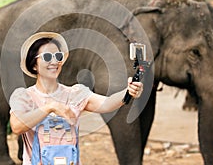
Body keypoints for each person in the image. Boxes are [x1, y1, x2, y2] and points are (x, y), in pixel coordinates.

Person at [9, 32, 143, 165]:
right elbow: (16, 126)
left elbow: (107, 103)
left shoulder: (75, 93)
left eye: (58, 56)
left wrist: (128, 91)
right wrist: (50, 107)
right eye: (47, 57)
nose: (55, 61)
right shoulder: (24, 96)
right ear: (34, 65)